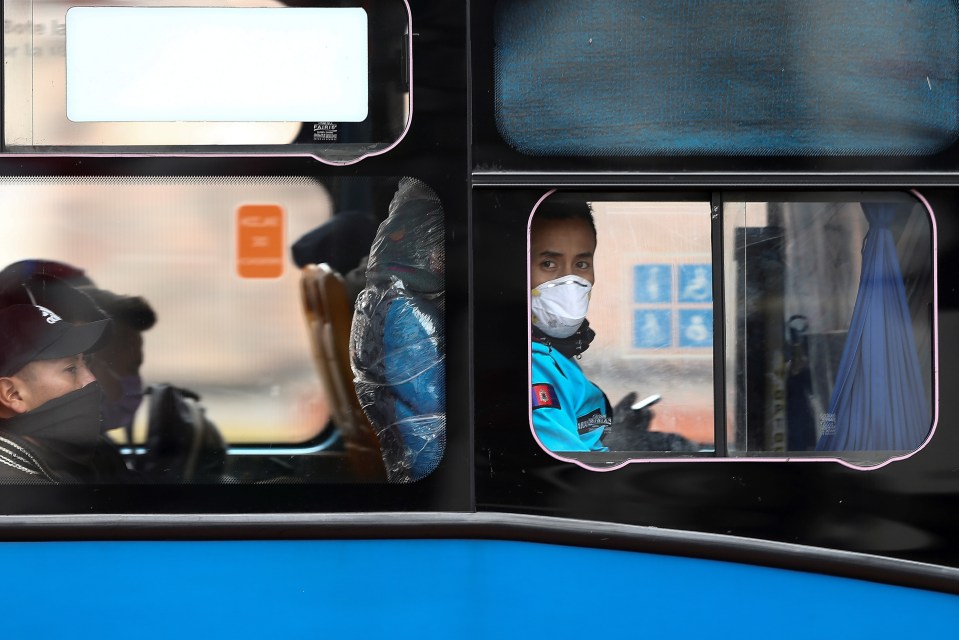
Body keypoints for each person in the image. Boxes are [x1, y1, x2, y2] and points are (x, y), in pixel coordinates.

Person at [530, 199, 676, 453]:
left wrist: (613, 430)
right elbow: (571, 471)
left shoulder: (553, 354)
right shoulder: (534, 367)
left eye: (581, 264)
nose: (570, 281)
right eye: (548, 264)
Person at [0, 304, 125, 483]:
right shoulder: (13, 488)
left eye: (86, 363)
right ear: (13, 394)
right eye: (71, 369)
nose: (91, 380)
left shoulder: (97, 456)